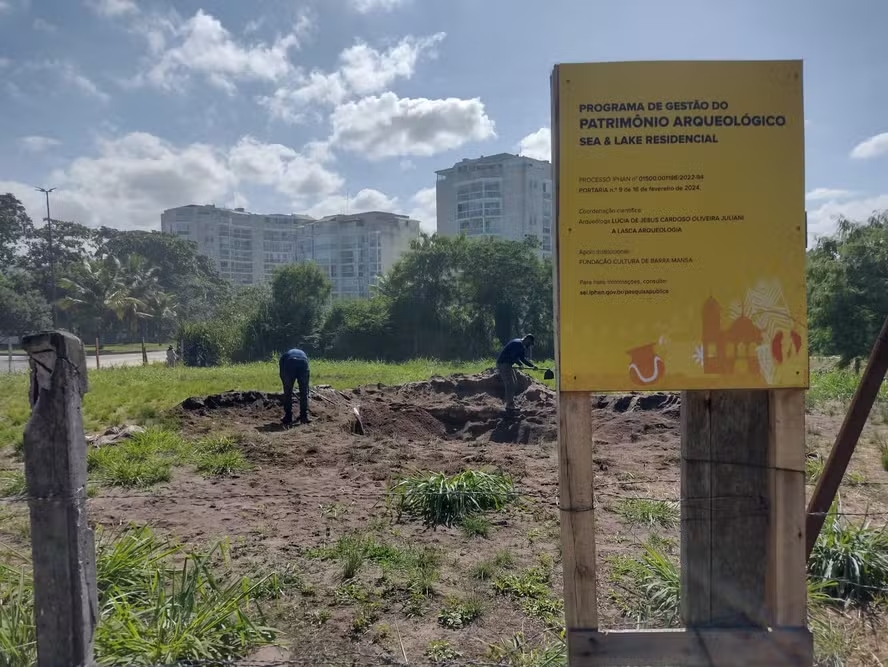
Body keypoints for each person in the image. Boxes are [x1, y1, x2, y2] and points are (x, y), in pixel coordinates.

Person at [496, 334, 538, 410]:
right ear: (527, 339)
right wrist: (520, 364)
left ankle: (510, 402)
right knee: (510, 384)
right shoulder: (517, 343)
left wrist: (532, 366)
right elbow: (513, 356)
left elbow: (522, 358)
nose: (530, 345)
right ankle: (509, 405)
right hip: (503, 364)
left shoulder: (521, 346)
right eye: (530, 343)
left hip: (508, 365)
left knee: (514, 383)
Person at [279, 347, 310, 425]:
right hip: (303, 363)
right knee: (304, 392)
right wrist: (305, 386)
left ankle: (288, 417)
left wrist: (286, 385)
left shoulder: (284, 357)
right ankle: (304, 416)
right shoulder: (303, 354)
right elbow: (307, 369)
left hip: (290, 363)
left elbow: (282, 373)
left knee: (288, 392)